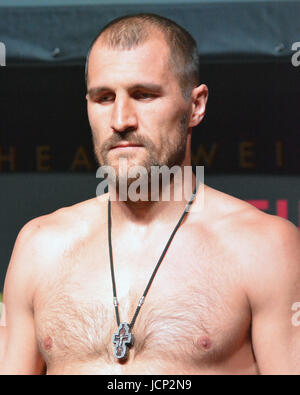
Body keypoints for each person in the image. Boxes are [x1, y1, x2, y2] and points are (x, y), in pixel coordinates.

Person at [1, 13, 300, 375]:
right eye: (103, 98)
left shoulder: (265, 247)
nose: (121, 119)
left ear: (196, 105)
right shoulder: (39, 246)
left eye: (143, 95)